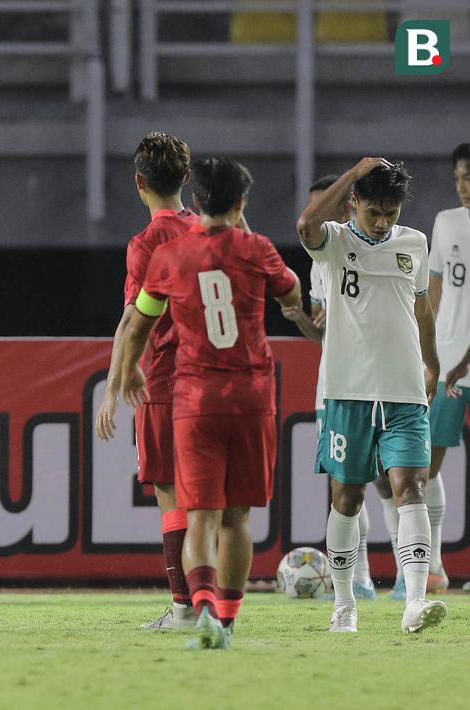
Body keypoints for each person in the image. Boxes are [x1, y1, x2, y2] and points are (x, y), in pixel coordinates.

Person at [119, 157, 301, 650]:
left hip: (194, 397)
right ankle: (227, 618)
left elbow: (140, 321)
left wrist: (130, 366)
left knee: (198, 513)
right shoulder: (257, 248)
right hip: (250, 395)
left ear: (196, 201)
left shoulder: (169, 257)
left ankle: (198, 609)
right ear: (240, 203)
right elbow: (291, 290)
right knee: (238, 518)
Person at [297, 157, 446, 634]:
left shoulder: (414, 243)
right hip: (348, 393)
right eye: (374, 212)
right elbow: (306, 222)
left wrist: (433, 361)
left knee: (410, 487)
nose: (383, 223)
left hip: (404, 393)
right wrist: (355, 170)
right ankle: (344, 604)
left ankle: (415, 603)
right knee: (347, 500)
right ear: (353, 202)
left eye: (392, 212)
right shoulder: (335, 242)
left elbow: (422, 309)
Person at [94, 132, 200, 630]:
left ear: (139, 183)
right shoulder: (213, 230)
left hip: (164, 381)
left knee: (171, 497)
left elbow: (133, 321)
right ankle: (214, 606)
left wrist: (114, 386)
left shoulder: (146, 243)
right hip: (218, 381)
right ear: (187, 177)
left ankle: (184, 607)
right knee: (214, 503)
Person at [283, 175, 383, 601]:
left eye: (324, 205)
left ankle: (417, 575)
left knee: (392, 482)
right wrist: (302, 318)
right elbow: (322, 332)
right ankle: (359, 580)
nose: (315, 216)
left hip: (381, 380)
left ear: (347, 206)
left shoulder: (385, 249)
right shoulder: (319, 261)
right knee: (345, 485)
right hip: (336, 383)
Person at [415, 142, 470, 595]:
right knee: (428, 466)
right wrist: (427, 351)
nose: (464, 186)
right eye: (458, 179)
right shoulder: (446, 222)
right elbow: (433, 294)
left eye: (469, 176)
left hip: (461, 363)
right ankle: (433, 566)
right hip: (450, 364)